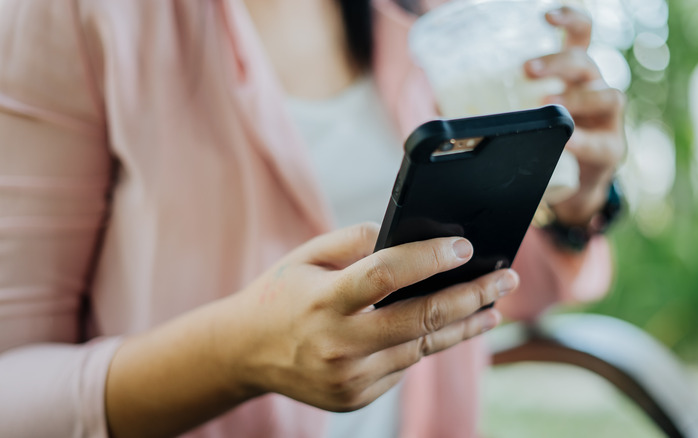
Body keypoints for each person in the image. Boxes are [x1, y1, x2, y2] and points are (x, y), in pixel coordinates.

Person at [0, 0, 625, 437]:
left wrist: (574, 200)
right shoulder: (77, 14)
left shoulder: (435, 24)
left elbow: (511, 289)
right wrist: (234, 356)